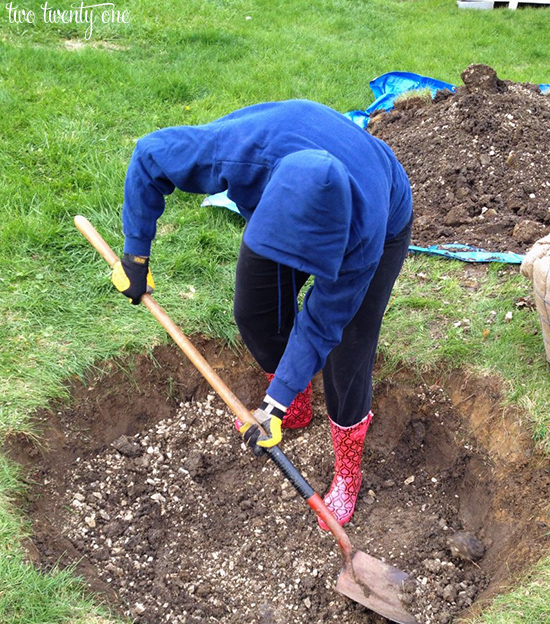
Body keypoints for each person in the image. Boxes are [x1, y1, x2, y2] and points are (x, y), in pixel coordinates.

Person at [114, 99, 413, 529]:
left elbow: (321, 323)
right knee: (254, 310)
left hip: (383, 209)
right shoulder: (234, 152)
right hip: (279, 182)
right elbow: (149, 155)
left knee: (349, 347)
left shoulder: (365, 235)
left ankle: (348, 471)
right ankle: (296, 405)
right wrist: (135, 256)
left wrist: (268, 407)